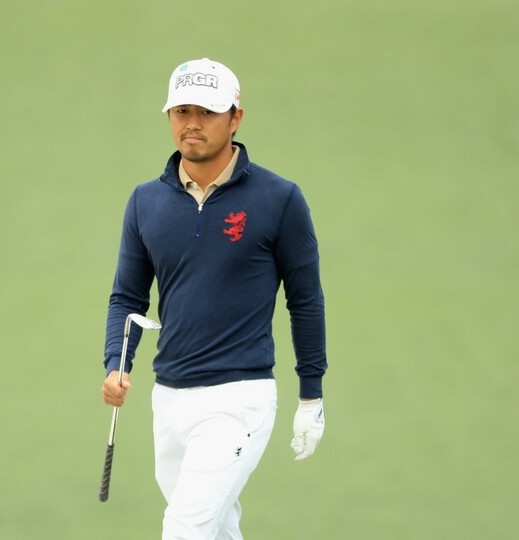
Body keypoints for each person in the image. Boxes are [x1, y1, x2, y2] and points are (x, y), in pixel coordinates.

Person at [101, 57, 328, 540]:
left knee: (184, 529)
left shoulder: (279, 199)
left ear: (235, 118)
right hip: (170, 397)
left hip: (238, 398)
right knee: (216, 531)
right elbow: (127, 297)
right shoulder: (145, 202)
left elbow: (305, 300)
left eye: (207, 111)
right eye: (182, 111)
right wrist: (116, 364)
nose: (193, 123)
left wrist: (311, 395)